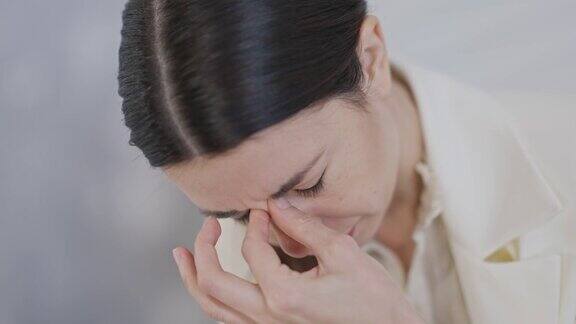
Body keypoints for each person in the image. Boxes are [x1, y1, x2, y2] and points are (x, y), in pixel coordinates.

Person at [116, 0, 576, 323]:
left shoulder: (562, 159)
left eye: (309, 184)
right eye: (238, 214)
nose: (290, 244)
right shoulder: (246, 281)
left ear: (371, 59)